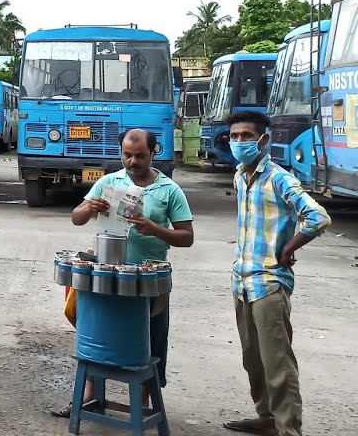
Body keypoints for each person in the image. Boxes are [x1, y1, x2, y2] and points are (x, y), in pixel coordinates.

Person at [52, 128, 194, 418]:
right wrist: (90, 207)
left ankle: (142, 400)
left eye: (139, 156)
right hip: (106, 274)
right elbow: (76, 218)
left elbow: (186, 237)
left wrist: (153, 228)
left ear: (154, 152)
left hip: (148, 279)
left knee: (150, 339)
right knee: (98, 334)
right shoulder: (108, 182)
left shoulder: (169, 190)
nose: (132, 161)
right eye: (127, 155)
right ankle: (89, 394)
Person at [222, 110, 330, 436]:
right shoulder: (240, 177)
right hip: (241, 280)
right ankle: (266, 418)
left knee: (278, 364)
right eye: (234, 136)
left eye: (247, 136)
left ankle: (288, 429)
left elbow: (316, 217)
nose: (239, 142)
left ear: (264, 139)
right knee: (252, 360)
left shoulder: (279, 178)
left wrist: (288, 248)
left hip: (269, 282)